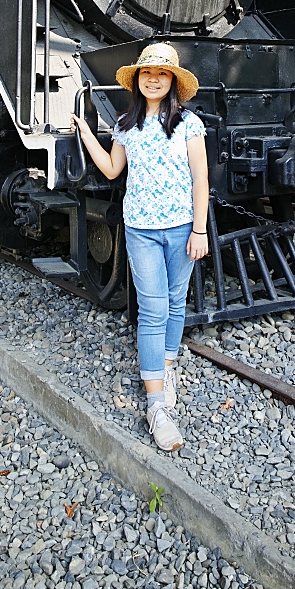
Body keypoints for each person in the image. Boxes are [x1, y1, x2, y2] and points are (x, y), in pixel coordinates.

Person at [72, 42, 209, 451]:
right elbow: (114, 169)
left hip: (182, 227)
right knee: (152, 309)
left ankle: (166, 368)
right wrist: (86, 135)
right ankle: (156, 407)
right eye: (147, 72)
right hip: (142, 230)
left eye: (163, 73)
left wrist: (199, 230)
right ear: (137, 79)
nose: (154, 78)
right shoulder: (126, 126)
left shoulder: (190, 125)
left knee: (175, 301)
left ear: (172, 82)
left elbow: (200, 180)